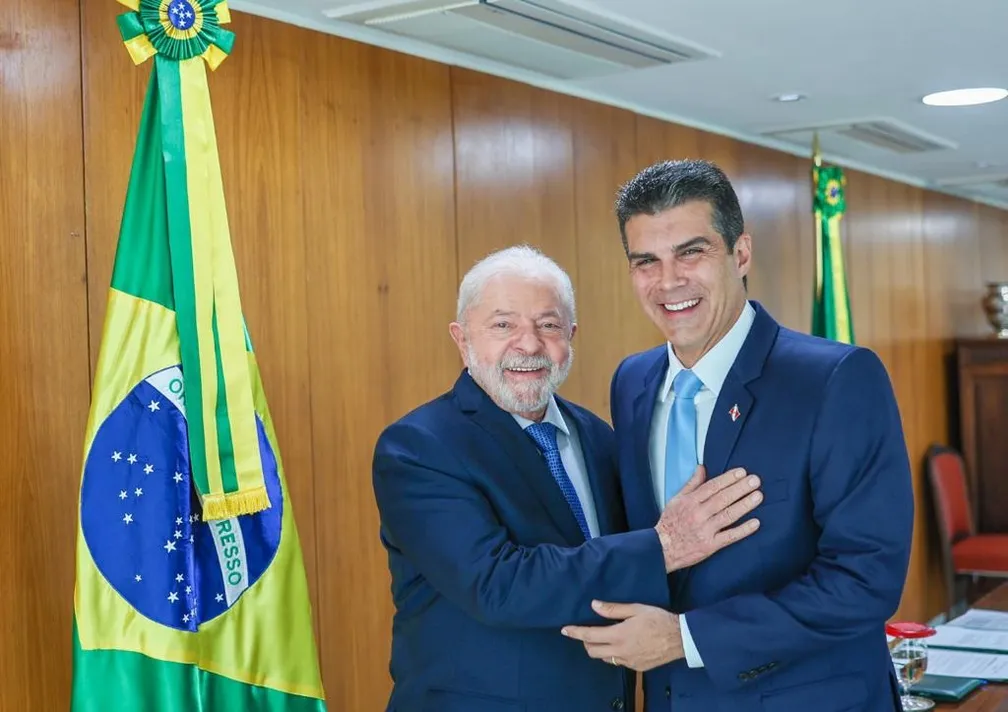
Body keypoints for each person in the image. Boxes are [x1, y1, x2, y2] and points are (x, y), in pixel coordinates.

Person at [561, 160, 914, 712]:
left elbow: (866, 579)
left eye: (691, 252)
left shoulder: (836, 378)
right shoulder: (631, 382)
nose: (669, 281)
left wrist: (686, 638)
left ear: (741, 253)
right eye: (646, 261)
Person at [371, 245, 764, 712]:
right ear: (462, 338)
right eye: (503, 325)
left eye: (549, 325)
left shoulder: (601, 438)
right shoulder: (418, 447)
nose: (530, 344)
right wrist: (664, 546)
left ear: (571, 336)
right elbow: (497, 584)